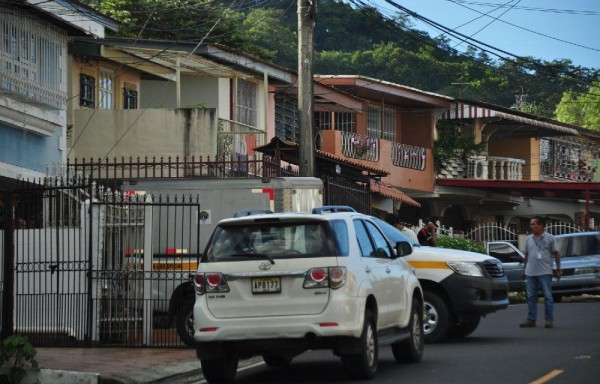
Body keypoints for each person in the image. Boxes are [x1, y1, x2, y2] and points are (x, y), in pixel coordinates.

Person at [520, 216, 561, 329]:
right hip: (531, 272)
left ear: (540, 225)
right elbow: (527, 255)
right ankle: (531, 319)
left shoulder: (550, 238)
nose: (531, 226)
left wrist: (558, 269)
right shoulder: (528, 239)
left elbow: (556, 254)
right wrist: (524, 270)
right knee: (531, 296)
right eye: (531, 224)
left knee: (548, 296)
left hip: (544, 272)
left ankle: (549, 320)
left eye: (534, 224)